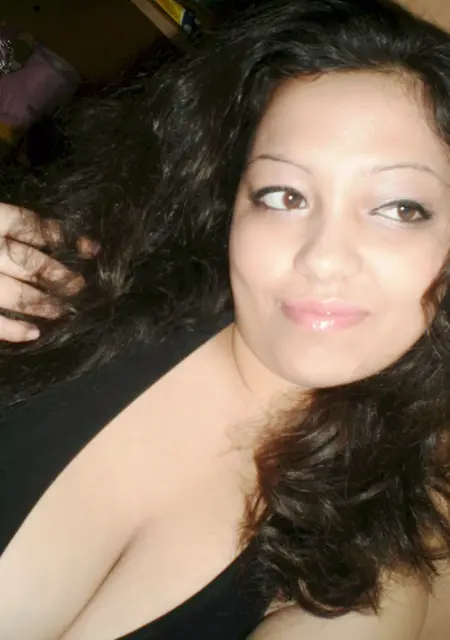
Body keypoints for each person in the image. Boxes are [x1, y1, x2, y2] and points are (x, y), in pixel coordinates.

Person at [1, 0, 450, 638]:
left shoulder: (364, 565)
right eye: (284, 195)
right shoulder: (61, 304)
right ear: (229, 201)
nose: (323, 258)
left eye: (400, 209)